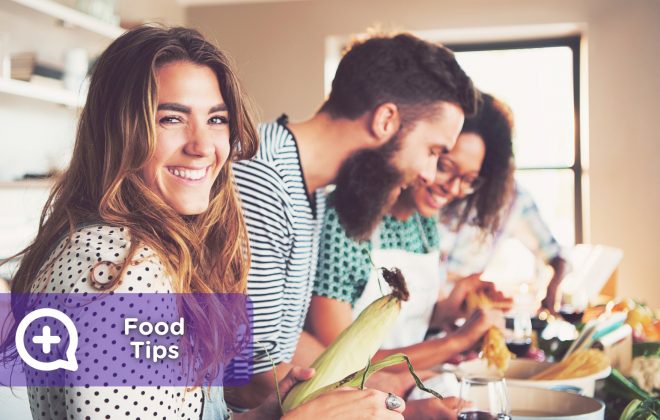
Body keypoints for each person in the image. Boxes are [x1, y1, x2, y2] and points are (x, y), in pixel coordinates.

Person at [0, 25, 406, 420]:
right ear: (118, 132)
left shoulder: (149, 253)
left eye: (216, 120)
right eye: (171, 119)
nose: (203, 147)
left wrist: (263, 416)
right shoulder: (117, 268)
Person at [225, 32, 478, 414]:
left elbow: (283, 341)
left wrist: (386, 387)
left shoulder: (310, 188)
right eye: (432, 151)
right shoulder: (262, 181)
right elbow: (244, 376)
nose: (428, 173)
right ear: (385, 119)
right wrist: (403, 410)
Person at [308, 94, 515, 379]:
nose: (452, 189)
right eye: (444, 167)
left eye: (467, 180)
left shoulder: (424, 224)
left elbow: (406, 322)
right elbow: (338, 356)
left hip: (403, 386)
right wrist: (456, 341)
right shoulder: (345, 220)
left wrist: (457, 303)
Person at [439, 181, 567, 313]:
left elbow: (556, 254)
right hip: (428, 306)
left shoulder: (516, 199)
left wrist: (552, 289)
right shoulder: (452, 183)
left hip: (456, 310)